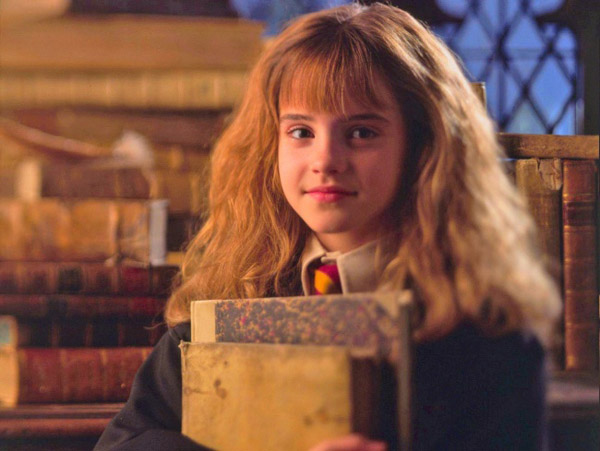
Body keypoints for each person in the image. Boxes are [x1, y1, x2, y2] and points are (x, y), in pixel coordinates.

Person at [94, 3, 561, 450]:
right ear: (271, 145)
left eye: (361, 132)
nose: (326, 161)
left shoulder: (491, 336)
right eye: (301, 132)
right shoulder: (226, 309)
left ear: (421, 145)